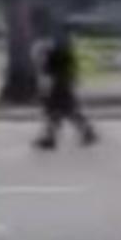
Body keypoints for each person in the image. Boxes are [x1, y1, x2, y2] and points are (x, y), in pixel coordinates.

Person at [35, 18, 97, 150]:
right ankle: (86, 133)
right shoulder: (65, 44)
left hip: (59, 83)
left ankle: (52, 138)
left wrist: (43, 57)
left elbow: (50, 67)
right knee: (64, 110)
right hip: (64, 81)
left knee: (59, 110)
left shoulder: (59, 46)